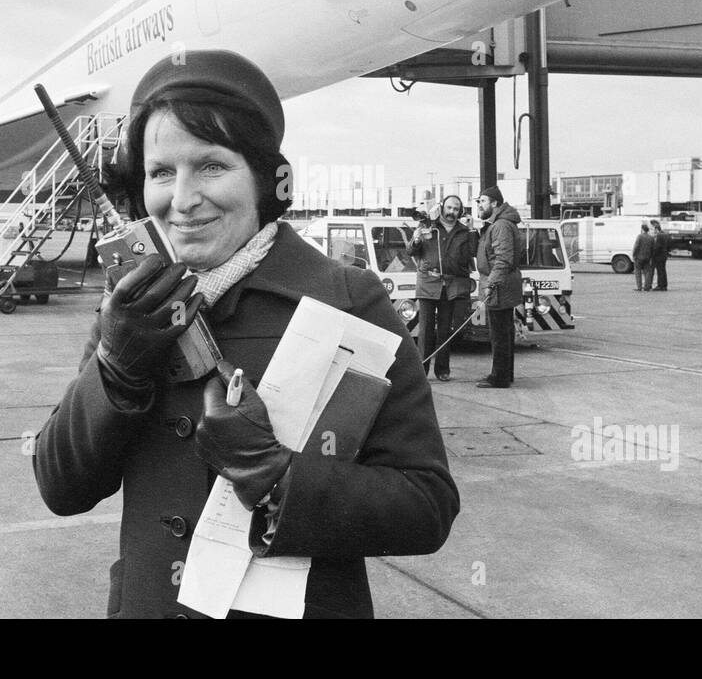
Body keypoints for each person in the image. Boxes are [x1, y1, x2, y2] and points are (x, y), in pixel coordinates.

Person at [32, 51, 458, 619]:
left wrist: (278, 477)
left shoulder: (346, 299)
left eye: (211, 166)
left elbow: (426, 506)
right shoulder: (131, 306)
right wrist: (116, 369)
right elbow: (62, 487)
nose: (180, 200)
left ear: (262, 177)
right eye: (161, 172)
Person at [406, 196, 476, 382]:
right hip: (428, 284)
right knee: (426, 331)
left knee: (445, 330)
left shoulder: (463, 231)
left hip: (451, 286)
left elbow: (472, 253)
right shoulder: (428, 225)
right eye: (449, 207)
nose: (451, 212)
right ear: (442, 207)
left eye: (456, 209)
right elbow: (411, 251)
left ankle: (442, 370)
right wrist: (416, 240)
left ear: (460, 212)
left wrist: (471, 231)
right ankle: (422, 370)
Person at [475, 185, 523, 388]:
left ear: (494, 203)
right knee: (503, 331)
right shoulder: (498, 223)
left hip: (499, 285)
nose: (479, 204)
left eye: (483, 201)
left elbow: (503, 258)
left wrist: (491, 283)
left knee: (499, 334)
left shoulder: (501, 225)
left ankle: (499, 377)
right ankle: (504, 374)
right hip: (502, 283)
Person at [631, 223, 654, 292]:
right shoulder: (651, 238)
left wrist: (634, 255)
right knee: (647, 272)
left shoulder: (640, 236)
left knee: (638, 272)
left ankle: (639, 287)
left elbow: (636, 247)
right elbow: (652, 248)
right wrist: (650, 256)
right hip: (647, 257)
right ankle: (647, 287)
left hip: (639, 257)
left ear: (642, 229)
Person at [650, 219, 671, 291]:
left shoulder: (659, 236)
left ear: (656, 229)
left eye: (654, 229)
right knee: (663, 271)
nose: (654, 231)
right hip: (664, 255)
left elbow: (657, 247)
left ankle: (660, 285)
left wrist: (653, 254)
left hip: (659, 256)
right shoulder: (666, 235)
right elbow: (669, 245)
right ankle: (664, 285)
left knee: (660, 271)